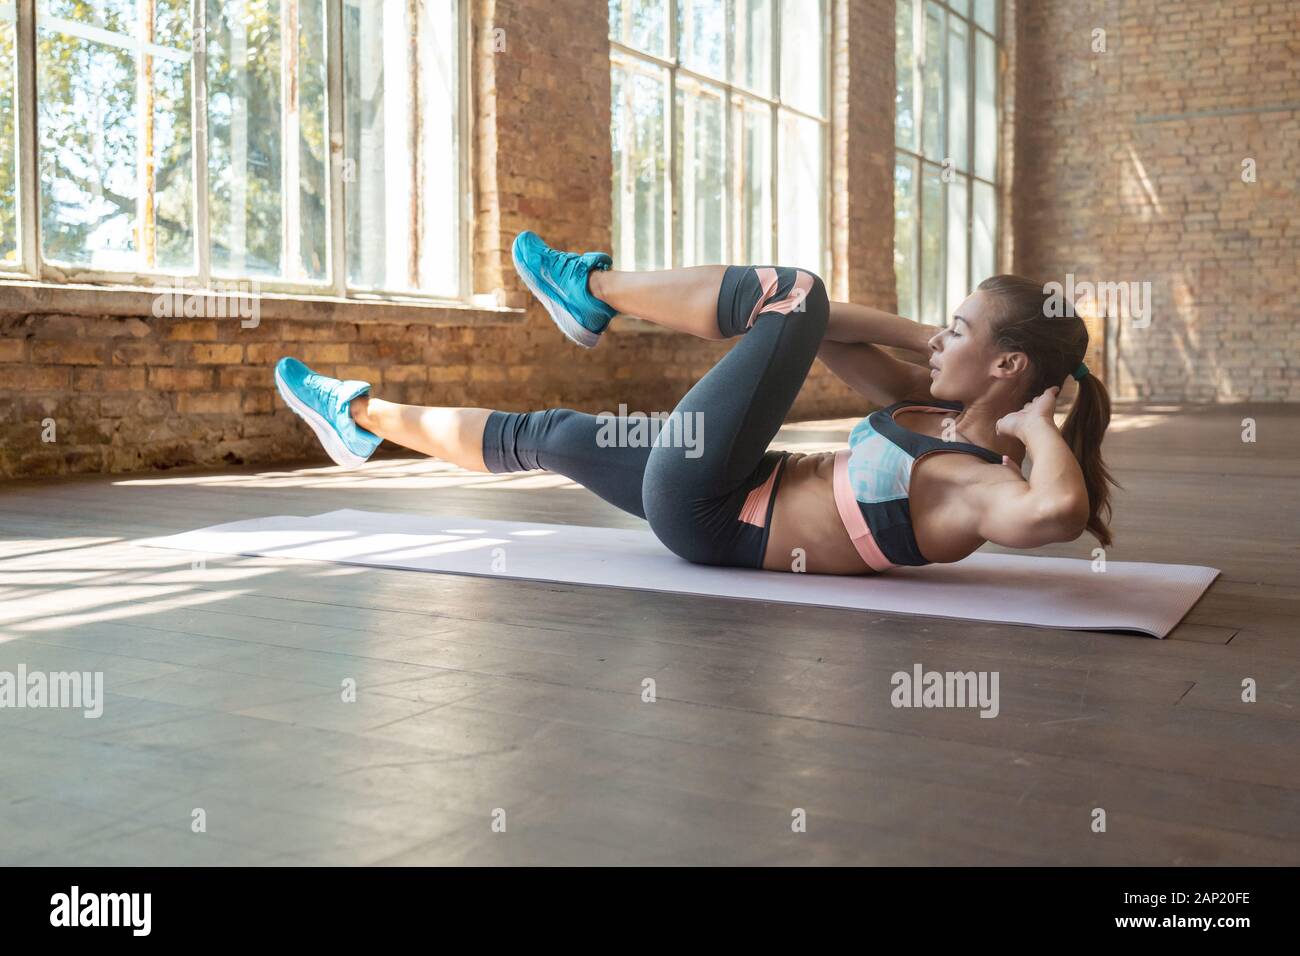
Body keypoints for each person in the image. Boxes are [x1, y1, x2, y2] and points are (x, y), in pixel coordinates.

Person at [275, 232, 1116, 575]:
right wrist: (936, 331)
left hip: (713, 511)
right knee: (550, 434)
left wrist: (1035, 424)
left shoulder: (979, 479)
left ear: (1007, 363)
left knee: (794, 289)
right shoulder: (924, 408)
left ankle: (590, 290)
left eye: (960, 329)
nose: (936, 344)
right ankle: (358, 418)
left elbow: (1059, 513)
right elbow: (823, 333)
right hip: (733, 480)